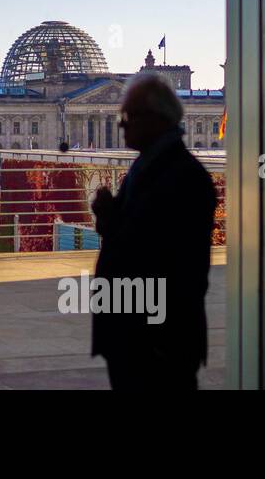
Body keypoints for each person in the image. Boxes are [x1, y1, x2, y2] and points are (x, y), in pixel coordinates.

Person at [90, 73, 215, 390]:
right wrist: (108, 216)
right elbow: (137, 236)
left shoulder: (183, 175)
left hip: (156, 340)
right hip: (135, 333)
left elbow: (162, 257)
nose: (120, 125)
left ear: (155, 119)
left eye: (127, 116)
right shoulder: (150, 164)